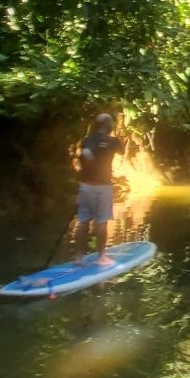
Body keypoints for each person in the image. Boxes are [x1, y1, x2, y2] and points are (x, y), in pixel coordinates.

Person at [74, 112, 124, 265]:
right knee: (101, 222)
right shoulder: (113, 141)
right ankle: (101, 256)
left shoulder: (87, 140)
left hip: (86, 186)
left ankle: (78, 256)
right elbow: (122, 151)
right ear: (110, 126)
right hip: (103, 186)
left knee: (82, 221)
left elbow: (83, 155)